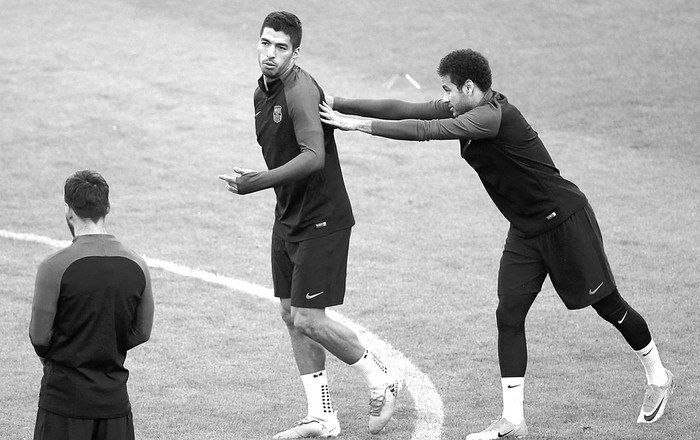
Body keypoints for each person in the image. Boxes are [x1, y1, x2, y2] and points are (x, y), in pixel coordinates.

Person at [319, 48, 674, 439]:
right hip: (525, 230)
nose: (446, 98)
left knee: (609, 307)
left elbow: (424, 130)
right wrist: (336, 102)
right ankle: (513, 420)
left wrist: (356, 126)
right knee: (508, 315)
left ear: (470, 87)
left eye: (449, 90)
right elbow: (407, 108)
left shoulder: (489, 117)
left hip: (564, 222)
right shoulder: (468, 106)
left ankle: (658, 377)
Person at [218, 11, 399, 438]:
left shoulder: (298, 91)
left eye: (281, 48)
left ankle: (382, 377)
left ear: (295, 53)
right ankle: (322, 415)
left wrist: (255, 182)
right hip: (289, 218)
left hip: (322, 219)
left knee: (310, 318)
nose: (270, 54)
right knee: (289, 314)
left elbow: (313, 156)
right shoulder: (263, 91)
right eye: (265, 43)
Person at [29, 170, 155, 440]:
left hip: (63, 403)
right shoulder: (137, 265)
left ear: (68, 211)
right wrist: (105, 343)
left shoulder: (53, 267)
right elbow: (142, 332)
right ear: (108, 207)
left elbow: (40, 337)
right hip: (115, 406)